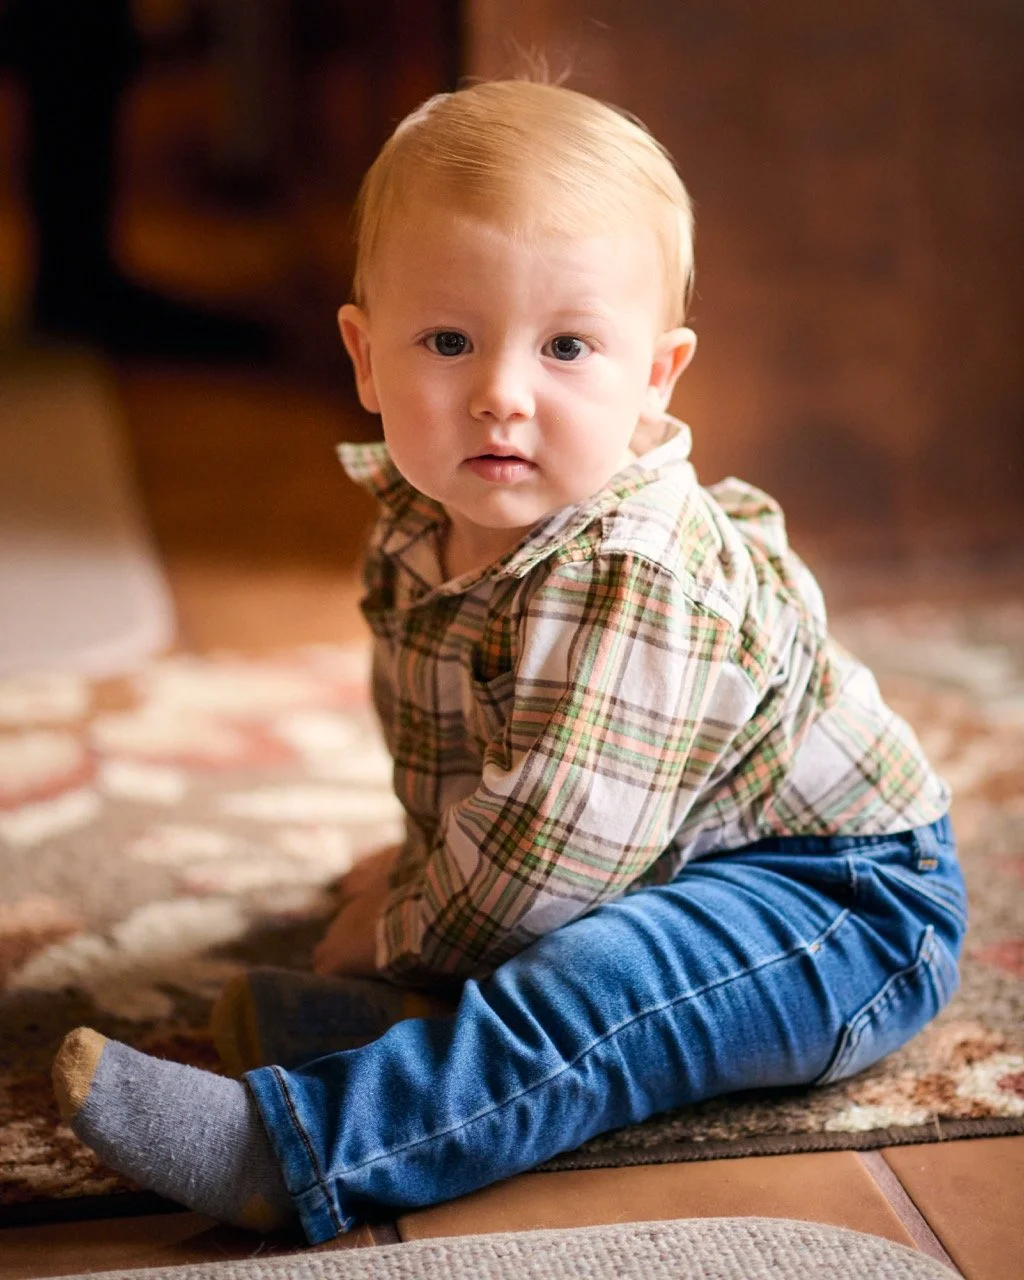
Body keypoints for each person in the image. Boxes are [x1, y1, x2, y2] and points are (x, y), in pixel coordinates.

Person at [51, 79, 966, 1243]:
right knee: (545, 932)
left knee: (598, 983)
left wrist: (406, 923)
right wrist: (427, 866)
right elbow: (467, 749)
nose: (498, 394)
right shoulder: (419, 519)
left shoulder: (635, 572)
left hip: (840, 906)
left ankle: (298, 1146)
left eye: (567, 346)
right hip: (645, 855)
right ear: (365, 355)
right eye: (446, 340)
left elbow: (549, 870)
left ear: (655, 375)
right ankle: (403, 1030)